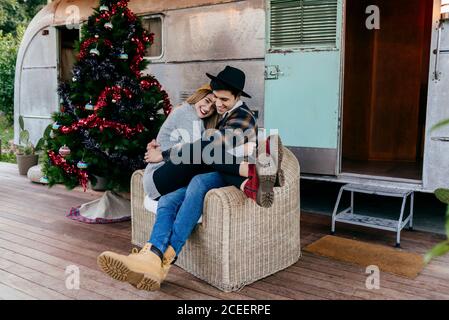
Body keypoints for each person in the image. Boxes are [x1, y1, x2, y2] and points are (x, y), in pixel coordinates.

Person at [97, 66, 283, 291]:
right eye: (214, 99)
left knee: (200, 174)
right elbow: (204, 149)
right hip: (212, 170)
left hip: (216, 172)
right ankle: (153, 259)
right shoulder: (217, 116)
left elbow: (208, 150)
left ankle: (251, 175)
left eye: (223, 99)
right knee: (167, 200)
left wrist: (163, 155)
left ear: (237, 97)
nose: (217, 104)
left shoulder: (242, 117)